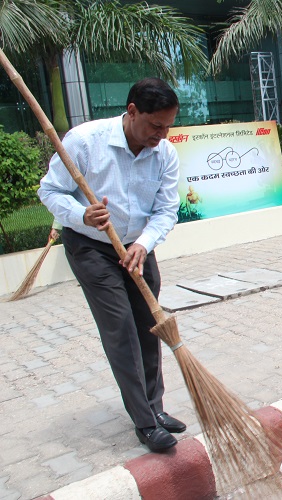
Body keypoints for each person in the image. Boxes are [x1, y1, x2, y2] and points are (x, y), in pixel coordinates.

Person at [38, 78, 185, 451]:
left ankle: (155, 407)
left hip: (138, 247)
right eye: (156, 126)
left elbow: (166, 210)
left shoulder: (164, 153)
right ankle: (144, 422)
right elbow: (50, 190)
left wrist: (143, 243)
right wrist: (81, 215)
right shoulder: (85, 141)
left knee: (151, 325)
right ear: (132, 111)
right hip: (92, 248)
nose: (161, 135)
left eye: (168, 127)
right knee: (120, 328)